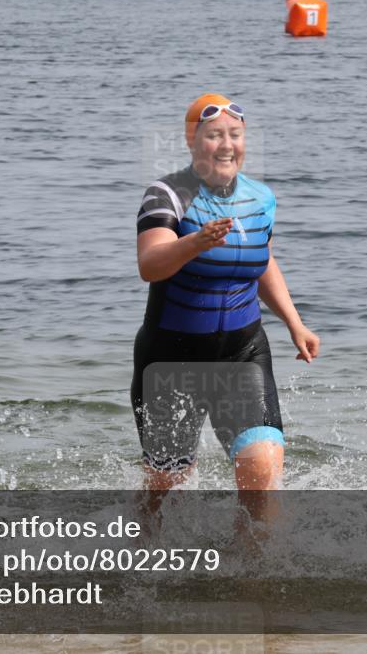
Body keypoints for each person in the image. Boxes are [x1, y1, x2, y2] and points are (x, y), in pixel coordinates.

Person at [131, 93, 320, 517]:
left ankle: (252, 577)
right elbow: (150, 265)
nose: (227, 145)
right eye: (214, 135)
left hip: (241, 352)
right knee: (166, 484)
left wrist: (294, 322)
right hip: (170, 361)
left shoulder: (261, 198)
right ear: (192, 141)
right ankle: (139, 553)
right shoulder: (166, 195)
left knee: (262, 471)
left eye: (235, 135)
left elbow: (262, 261)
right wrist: (195, 242)